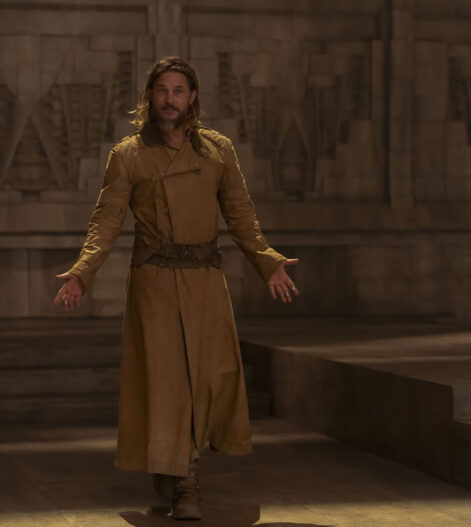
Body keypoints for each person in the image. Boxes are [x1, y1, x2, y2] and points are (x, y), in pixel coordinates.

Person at [53, 56, 299, 521]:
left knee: (208, 377)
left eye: (179, 90)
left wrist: (268, 262)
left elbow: (241, 215)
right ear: (150, 96)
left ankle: (177, 467)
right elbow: (106, 220)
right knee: (167, 382)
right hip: (155, 281)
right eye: (162, 90)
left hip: (205, 280)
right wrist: (82, 272)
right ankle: (185, 481)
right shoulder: (129, 154)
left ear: (193, 97)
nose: (170, 99)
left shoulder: (217, 151)